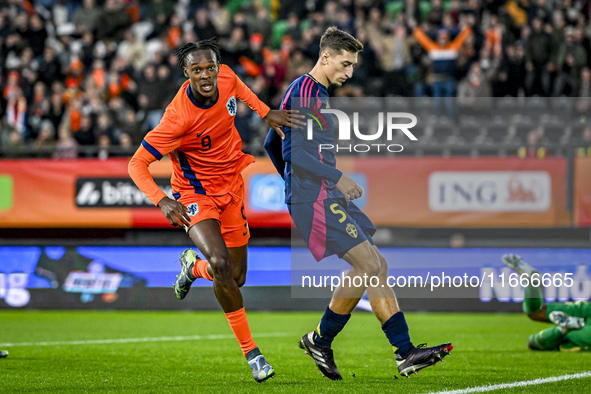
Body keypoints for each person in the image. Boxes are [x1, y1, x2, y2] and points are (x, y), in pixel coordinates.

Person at [264, 26, 453, 380]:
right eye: (345, 63)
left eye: (352, 65)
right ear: (325, 57)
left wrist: (294, 181)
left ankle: (403, 351)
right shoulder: (306, 93)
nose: (349, 72)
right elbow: (293, 153)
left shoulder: (313, 93)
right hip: (316, 194)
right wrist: (323, 181)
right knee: (368, 264)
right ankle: (327, 341)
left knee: (375, 264)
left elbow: (271, 146)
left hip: (318, 192)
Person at [128, 39, 304, 383]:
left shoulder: (225, 77)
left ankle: (193, 268)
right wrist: (162, 200)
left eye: (210, 67)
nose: (206, 75)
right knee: (223, 264)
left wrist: (267, 113)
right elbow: (137, 164)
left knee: (235, 277)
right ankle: (252, 353)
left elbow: (241, 88)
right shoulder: (177, 119)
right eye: (197, 70)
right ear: (186, 73)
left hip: (232, 188)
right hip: (195, 194)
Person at [502, 254, 589, 352]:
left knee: (536, 314)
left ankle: (532, 285)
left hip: (586, 310)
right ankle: (565, 328)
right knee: (535, 341)